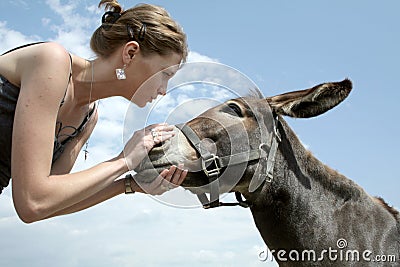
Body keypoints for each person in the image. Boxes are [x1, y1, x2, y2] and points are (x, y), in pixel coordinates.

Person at [0, 0, 188, 223]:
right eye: (165, 74)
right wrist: (124, 160)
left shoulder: (88, 118)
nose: (164, 91)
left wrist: (129, 184)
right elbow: (33, 200)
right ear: (130, 53)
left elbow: (45, 206)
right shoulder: (51, 61)